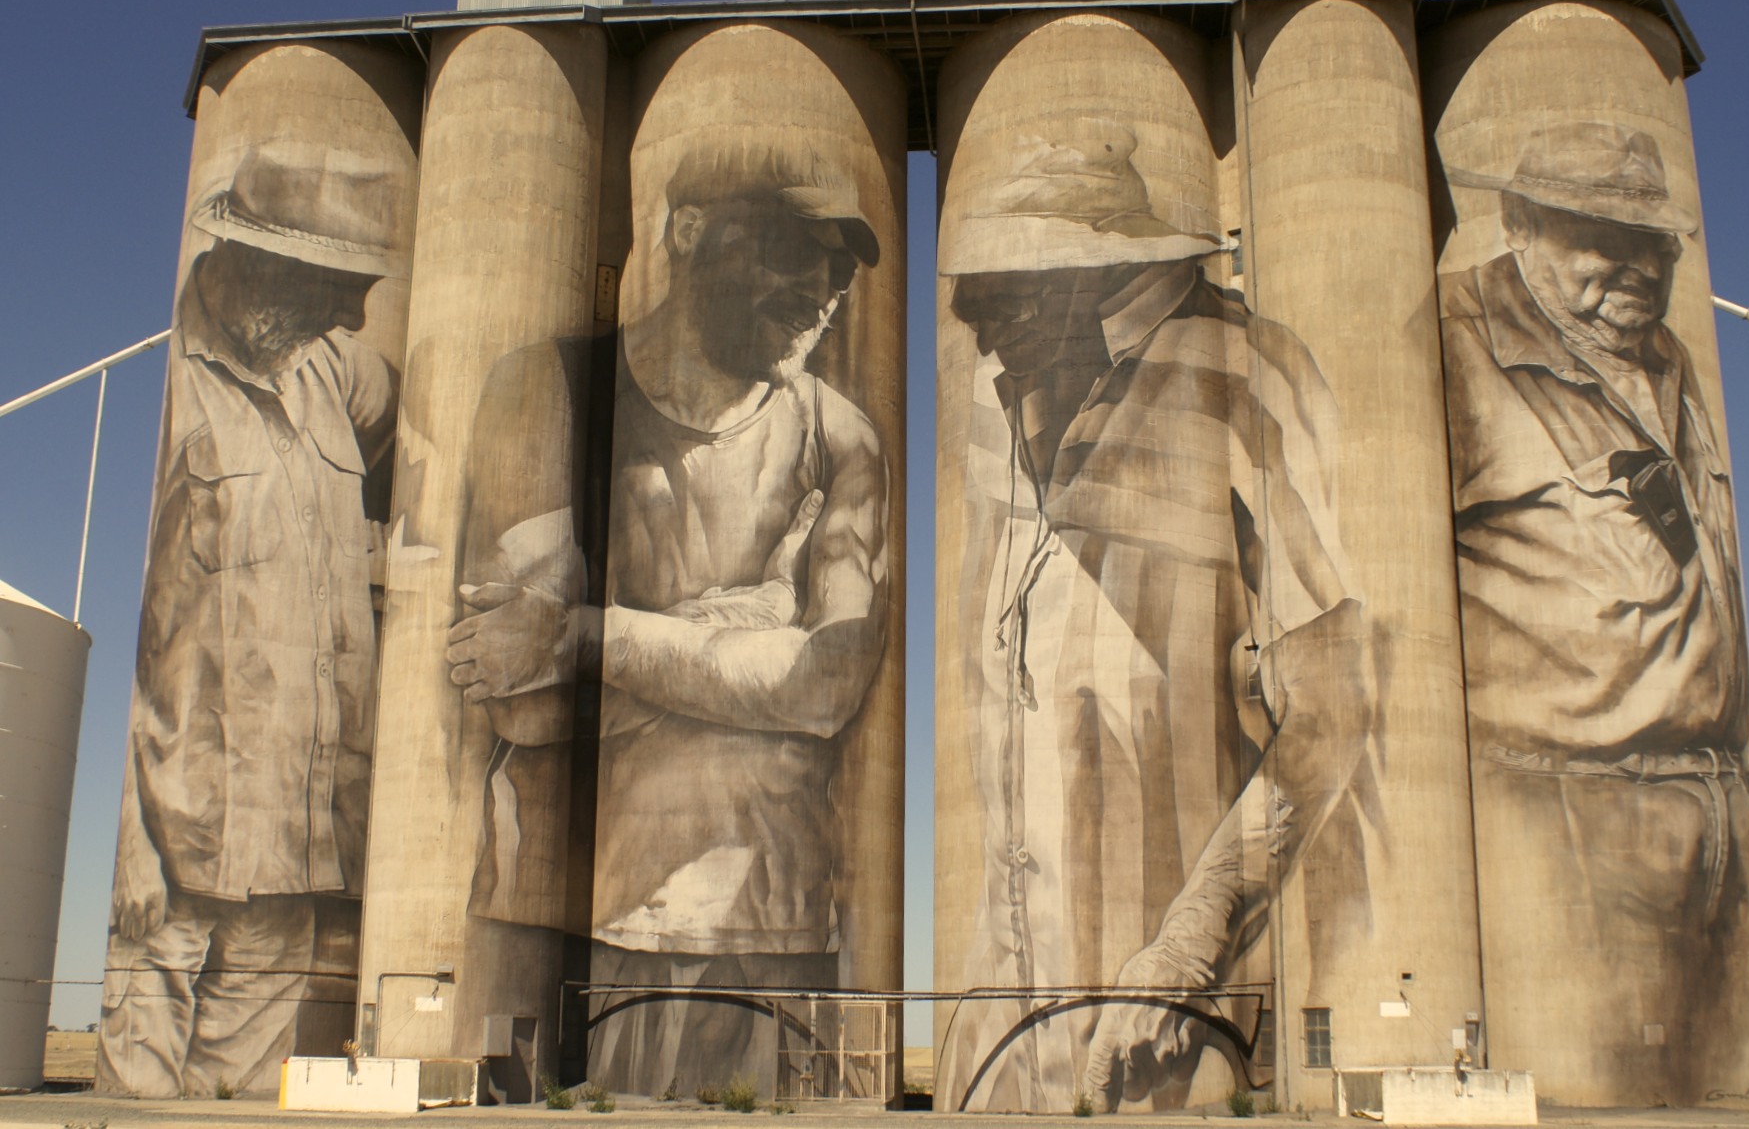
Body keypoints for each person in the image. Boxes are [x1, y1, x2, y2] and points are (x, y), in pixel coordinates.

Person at [937, 120, 1374, 1113]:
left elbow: (1335, 704)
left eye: (1005, 292)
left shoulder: (1244, 373)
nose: (977, 323)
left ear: (1100, 271)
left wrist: (1187, 949)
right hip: (1003, 1028)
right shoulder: (1003, 406)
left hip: (1168, 1028)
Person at [444, 144, 890, 1096]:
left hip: (775, 925)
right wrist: (759, 616)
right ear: (689, 231)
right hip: (567, 922)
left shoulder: (839, 435)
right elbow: (524, 707)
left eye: (839, 269)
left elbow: (825, 685)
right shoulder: (552, 389)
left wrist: (583, 637)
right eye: (792, 248)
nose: (822, 291)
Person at [1440, 120, 1749, 1103]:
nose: (1638, 265)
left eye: (1654, 242)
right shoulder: (1451, 343)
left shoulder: (1668, 360)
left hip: (1721, 817)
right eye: (1601, 237)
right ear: (1519, 223)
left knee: (1718, 1106)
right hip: (1569, 824)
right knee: (1588, 1102)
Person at [98, 146, 402, 1097]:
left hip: (304, 834)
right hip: (183, 839)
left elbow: (408, 404)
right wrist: (134, 846)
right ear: (268, 266)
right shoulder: (184, 395)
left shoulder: (328, 371)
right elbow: (154, 640)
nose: (355, 315)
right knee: (138, 1096)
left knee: (247, 1101)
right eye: (339, 288)